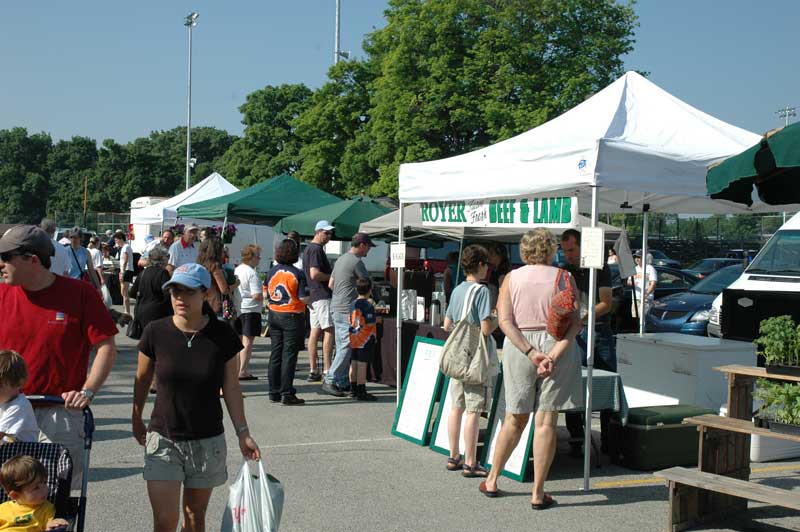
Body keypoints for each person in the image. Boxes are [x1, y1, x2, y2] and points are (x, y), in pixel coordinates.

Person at [132, 263, 260, 532]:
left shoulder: (223, 334)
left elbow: (232, 388)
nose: (180, 298)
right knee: (165, 523)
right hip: (164, 439)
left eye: (188, 292)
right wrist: (136, 418)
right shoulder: (155, 331)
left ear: (205, 292)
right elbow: (142, 379)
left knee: (194, 518)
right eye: (175, 291)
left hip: (207, 441)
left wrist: (243, 432)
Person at [0, 225, 118, 489]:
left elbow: (106, 347)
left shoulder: (79, 293)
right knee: (6, 501)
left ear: (32, 259)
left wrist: (87, 391)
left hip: (60, 413)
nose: (1, 264)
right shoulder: (1, 295)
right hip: (6, 412)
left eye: (6, 257)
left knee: (55, 500)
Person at [481, 228, 582, 509]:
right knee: (546, 421)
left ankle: (491, 479)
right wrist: (552, 353)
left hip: (520, 345)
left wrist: (530, 351)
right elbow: (575, 321)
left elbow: (505, 321)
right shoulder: (565, 277)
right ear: (551, 250)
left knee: (515, 417)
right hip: (557, 343)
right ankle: (538, 493)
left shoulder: (512, 278)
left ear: (525, 251)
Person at [442, 245, 499, 477]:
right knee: (474, 410)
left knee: (456, 407)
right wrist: (496, 318)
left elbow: (447, 325)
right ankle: (471, 461)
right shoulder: (482, 291)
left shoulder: (457, 290)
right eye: (486, 264)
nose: (488, 269)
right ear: (480, 264)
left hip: (457, 356)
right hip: (475, 357)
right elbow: (485, 328)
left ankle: (453, 455)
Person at [560, 229, 616, 456]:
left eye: (571, 250)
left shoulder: (599, 269)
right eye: (564, 251)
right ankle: (576, 441)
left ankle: (610, 442)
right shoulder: (565, 272)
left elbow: (607, 303)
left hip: (599, 332)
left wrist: (583, 316)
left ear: (583, 247)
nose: (568, 255)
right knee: (574, 383)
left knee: (608, 386)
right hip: (576, 333)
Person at [321, 233, 375, 397]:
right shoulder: (357, 262)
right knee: (345, 346)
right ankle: (331, 379)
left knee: (342, 344)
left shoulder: (341, 259)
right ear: (363, 245)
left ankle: (342, 381)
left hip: (336, 306)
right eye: (369, 247)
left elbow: (331, 284)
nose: (369, 251)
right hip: (346, 308)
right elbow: (367, 284)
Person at [265, 240, 309, 405]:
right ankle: (287, 392)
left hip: (274, 313)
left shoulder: (272, 271)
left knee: (276, 353)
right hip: (291, 315)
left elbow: (265, 292)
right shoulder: (297, 273)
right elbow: (303, 297)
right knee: (289, 355)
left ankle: (273, 390)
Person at [302, 220, 335, 383]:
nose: (329, 236)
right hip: (321, 295)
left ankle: (313, 369)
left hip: (313, 296)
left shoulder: (309, 249)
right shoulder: (315, 249)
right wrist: (333, 277)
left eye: (330, 233)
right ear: (318, 232)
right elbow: (315, 274)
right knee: (329, 330)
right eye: (326, 233)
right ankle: (327, 369)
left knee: (315, 332)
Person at [0, 456, 69, 530]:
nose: (45, 489)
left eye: (45, 483)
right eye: (36, 488)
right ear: (15, 495)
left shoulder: (46, 508)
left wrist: (53, 524)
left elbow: (49, 526)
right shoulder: (2, 509)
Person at [234, 245, 263, 380]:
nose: (259, 259)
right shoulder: (252, 273)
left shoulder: (238, 269)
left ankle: (237, 368)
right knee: (248, 341)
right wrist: (266, 296)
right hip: (251, 309)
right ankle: (242, 370)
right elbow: (256, 295)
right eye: (257, 256)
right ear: (251, 257)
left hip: (238, 306)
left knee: (240, 339)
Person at [348, 278, 378, 401]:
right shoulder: (368, 305)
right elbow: (370, 323)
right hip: (364, 338)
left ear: (356, 290)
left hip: (353, 337)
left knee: (353, 363)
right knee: (362, 364)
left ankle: (352, 388)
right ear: (370, 290)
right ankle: (361, 389)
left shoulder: (352, 303)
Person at [0, 350, 39, 443]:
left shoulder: (19, 406)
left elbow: (1, 434)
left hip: (22, 455)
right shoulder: (3, 402)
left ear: (18, 383)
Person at [197, 238, 235, 316]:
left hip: (203, 303)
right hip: (216, 304)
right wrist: (237, 283)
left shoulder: (201, 264)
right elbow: (224, 290)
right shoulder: (215, 266)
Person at [629, 250, 657, 320]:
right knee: (637, 319)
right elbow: (628, 281)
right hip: (636, 298)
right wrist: (632, 282)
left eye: (639, 257)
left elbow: (653, 284)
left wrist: (646, 294)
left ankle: (645, 331)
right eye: (635, 257)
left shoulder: (650, 268)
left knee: (644, 319)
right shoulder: (634, 269)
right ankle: (639, 330)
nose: (636, 259)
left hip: (646, 299)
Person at [115, 232, 135, 315]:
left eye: (116, 240)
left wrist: (122, 271)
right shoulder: (125, 247)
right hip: (126, 270)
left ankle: (127, 311)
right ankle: (125, 311)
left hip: (126, 270)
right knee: (123, 292)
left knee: (124, 292)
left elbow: (126, 260)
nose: (116, 242)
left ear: (120, 239)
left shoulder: (126, 247)